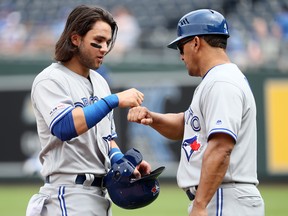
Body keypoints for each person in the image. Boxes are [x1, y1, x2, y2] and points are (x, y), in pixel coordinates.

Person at [127, 9, 265, 216]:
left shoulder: (222, 82)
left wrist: (200, 206)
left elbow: (221, 147)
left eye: (181, 47)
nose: (181, 56)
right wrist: (153, 118)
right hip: (220, 196)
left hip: (223, 198)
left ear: (196, 42)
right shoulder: (217, 79)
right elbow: (188, 126)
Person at [26, 5, 151, 216]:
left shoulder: (100, 82)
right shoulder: (50, 79)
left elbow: (107, 140)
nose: (105, 48)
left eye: (108, 42)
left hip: (98, 196)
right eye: (99, 40)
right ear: (76, 39)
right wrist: (113, 100)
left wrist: (123, 162)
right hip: (67, 195)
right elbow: (65, 127)